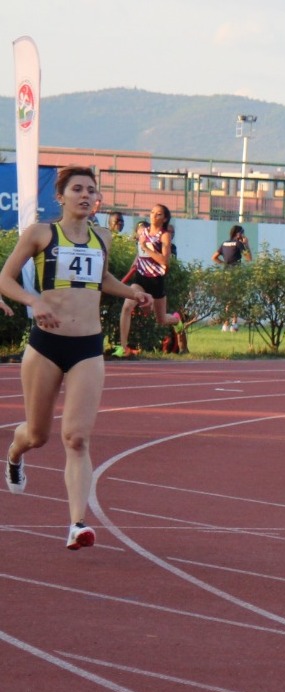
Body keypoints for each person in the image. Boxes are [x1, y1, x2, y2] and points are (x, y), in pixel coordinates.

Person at [0, 166, 152, 549]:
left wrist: (132, 292)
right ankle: (15, 453)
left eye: (91, 190)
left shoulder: (103, 236)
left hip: (87, 347)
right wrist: (32, 300)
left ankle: (77, 523)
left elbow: (101, 281)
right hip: (46, 346)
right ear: (61, 197)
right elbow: (5, 278)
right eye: (77, 189)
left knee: (78, 438)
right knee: (37, 435)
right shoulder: (41, 234)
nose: (85, 195)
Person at [115, 203, 182, 356]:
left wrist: (146, 248)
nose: (153, 215)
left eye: (158, 214)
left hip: (156, 280)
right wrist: (136, 259)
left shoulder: (165, 235)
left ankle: (177, 320)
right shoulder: (143, 232)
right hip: (140, 279)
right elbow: (140, 252)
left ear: (164, 218)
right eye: (152, 212)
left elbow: (165, 261)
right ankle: (123, 347)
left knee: (161, 319)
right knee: (126, 307)